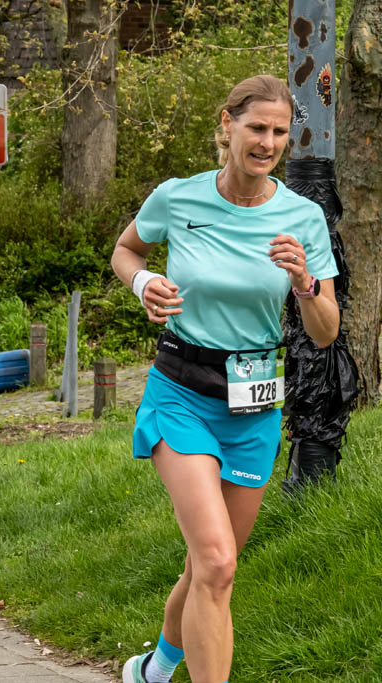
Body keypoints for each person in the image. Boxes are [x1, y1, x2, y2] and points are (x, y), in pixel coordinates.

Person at [110, 75, 339, 683]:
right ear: (227, 124)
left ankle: (154, 670)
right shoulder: (178, 198)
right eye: (256, 127)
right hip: (181, 393)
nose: (267, 142)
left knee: (210, 568)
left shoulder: (303, 217)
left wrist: (305, 283)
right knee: (215, 561)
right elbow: (126, 251)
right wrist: (143, 283)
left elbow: (325, 332)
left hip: (255, 406)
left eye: (279, 132)